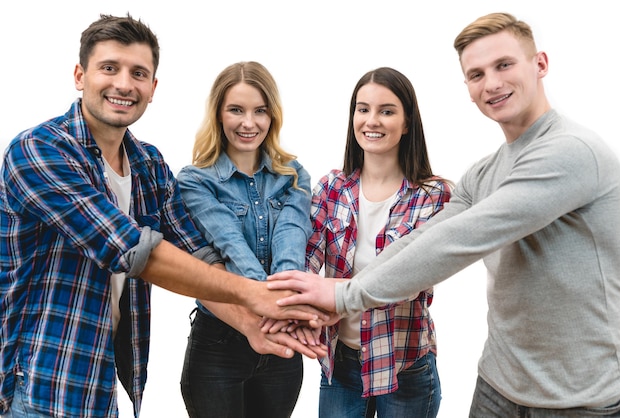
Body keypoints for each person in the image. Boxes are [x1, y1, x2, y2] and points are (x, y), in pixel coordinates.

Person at [268, 12, 620, 417]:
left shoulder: (571, 151)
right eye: (476, 74)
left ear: (540, 64)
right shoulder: (484, 172)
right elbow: (425, 238)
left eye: (504, 65)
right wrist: (324, 300)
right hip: (498, 383)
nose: (491, 83)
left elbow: (462, 240)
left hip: (577, 398)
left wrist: (345, 294)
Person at [0, 15, 324, 418]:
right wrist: (256, 295)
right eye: (109, 68)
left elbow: (198, 256)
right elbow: (134, 250)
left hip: (101, 381)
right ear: (80, 75)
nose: (123, 84)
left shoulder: (148, 164)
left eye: (138, 73)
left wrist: (252, 325)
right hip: (39, 381)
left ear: (152, 88)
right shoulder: (39, 150)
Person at [302, 67, 450, 418]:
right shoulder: (332, 188)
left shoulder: (433, 196)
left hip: (404, 367)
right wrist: (299, 306)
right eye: (363, 108)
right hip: (341, 365)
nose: (372, 120)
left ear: (407, 122)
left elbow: (413, 281)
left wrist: (337, 294)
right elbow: (306, 259)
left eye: (387, 111)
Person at [176, 61, 321, 418]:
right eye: (236, 110)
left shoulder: (293, 175)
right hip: (219, 345)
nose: (248, 123)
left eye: (260, 111)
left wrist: (282, 302)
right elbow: (230, 247)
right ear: (218, 114)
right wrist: (271, 303)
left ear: (272, 116)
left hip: (282, 341)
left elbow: (292, 239)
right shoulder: (195, 181)